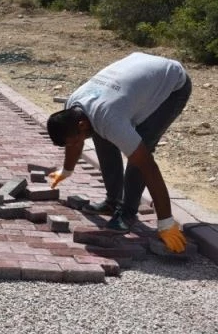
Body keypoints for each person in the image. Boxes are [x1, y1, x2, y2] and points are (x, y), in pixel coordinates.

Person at [45, 52, 192, 253]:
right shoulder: (73, 105)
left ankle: (127, 213)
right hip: (139, 73)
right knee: (99, 133)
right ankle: (113, 202)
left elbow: (148, 167)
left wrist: (166, 222)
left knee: (141, 150)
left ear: (80, 124)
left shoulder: (109, 119)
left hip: (172, 85)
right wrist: (67, 170)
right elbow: (74, 142)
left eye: (76, 139)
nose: (76, 143)